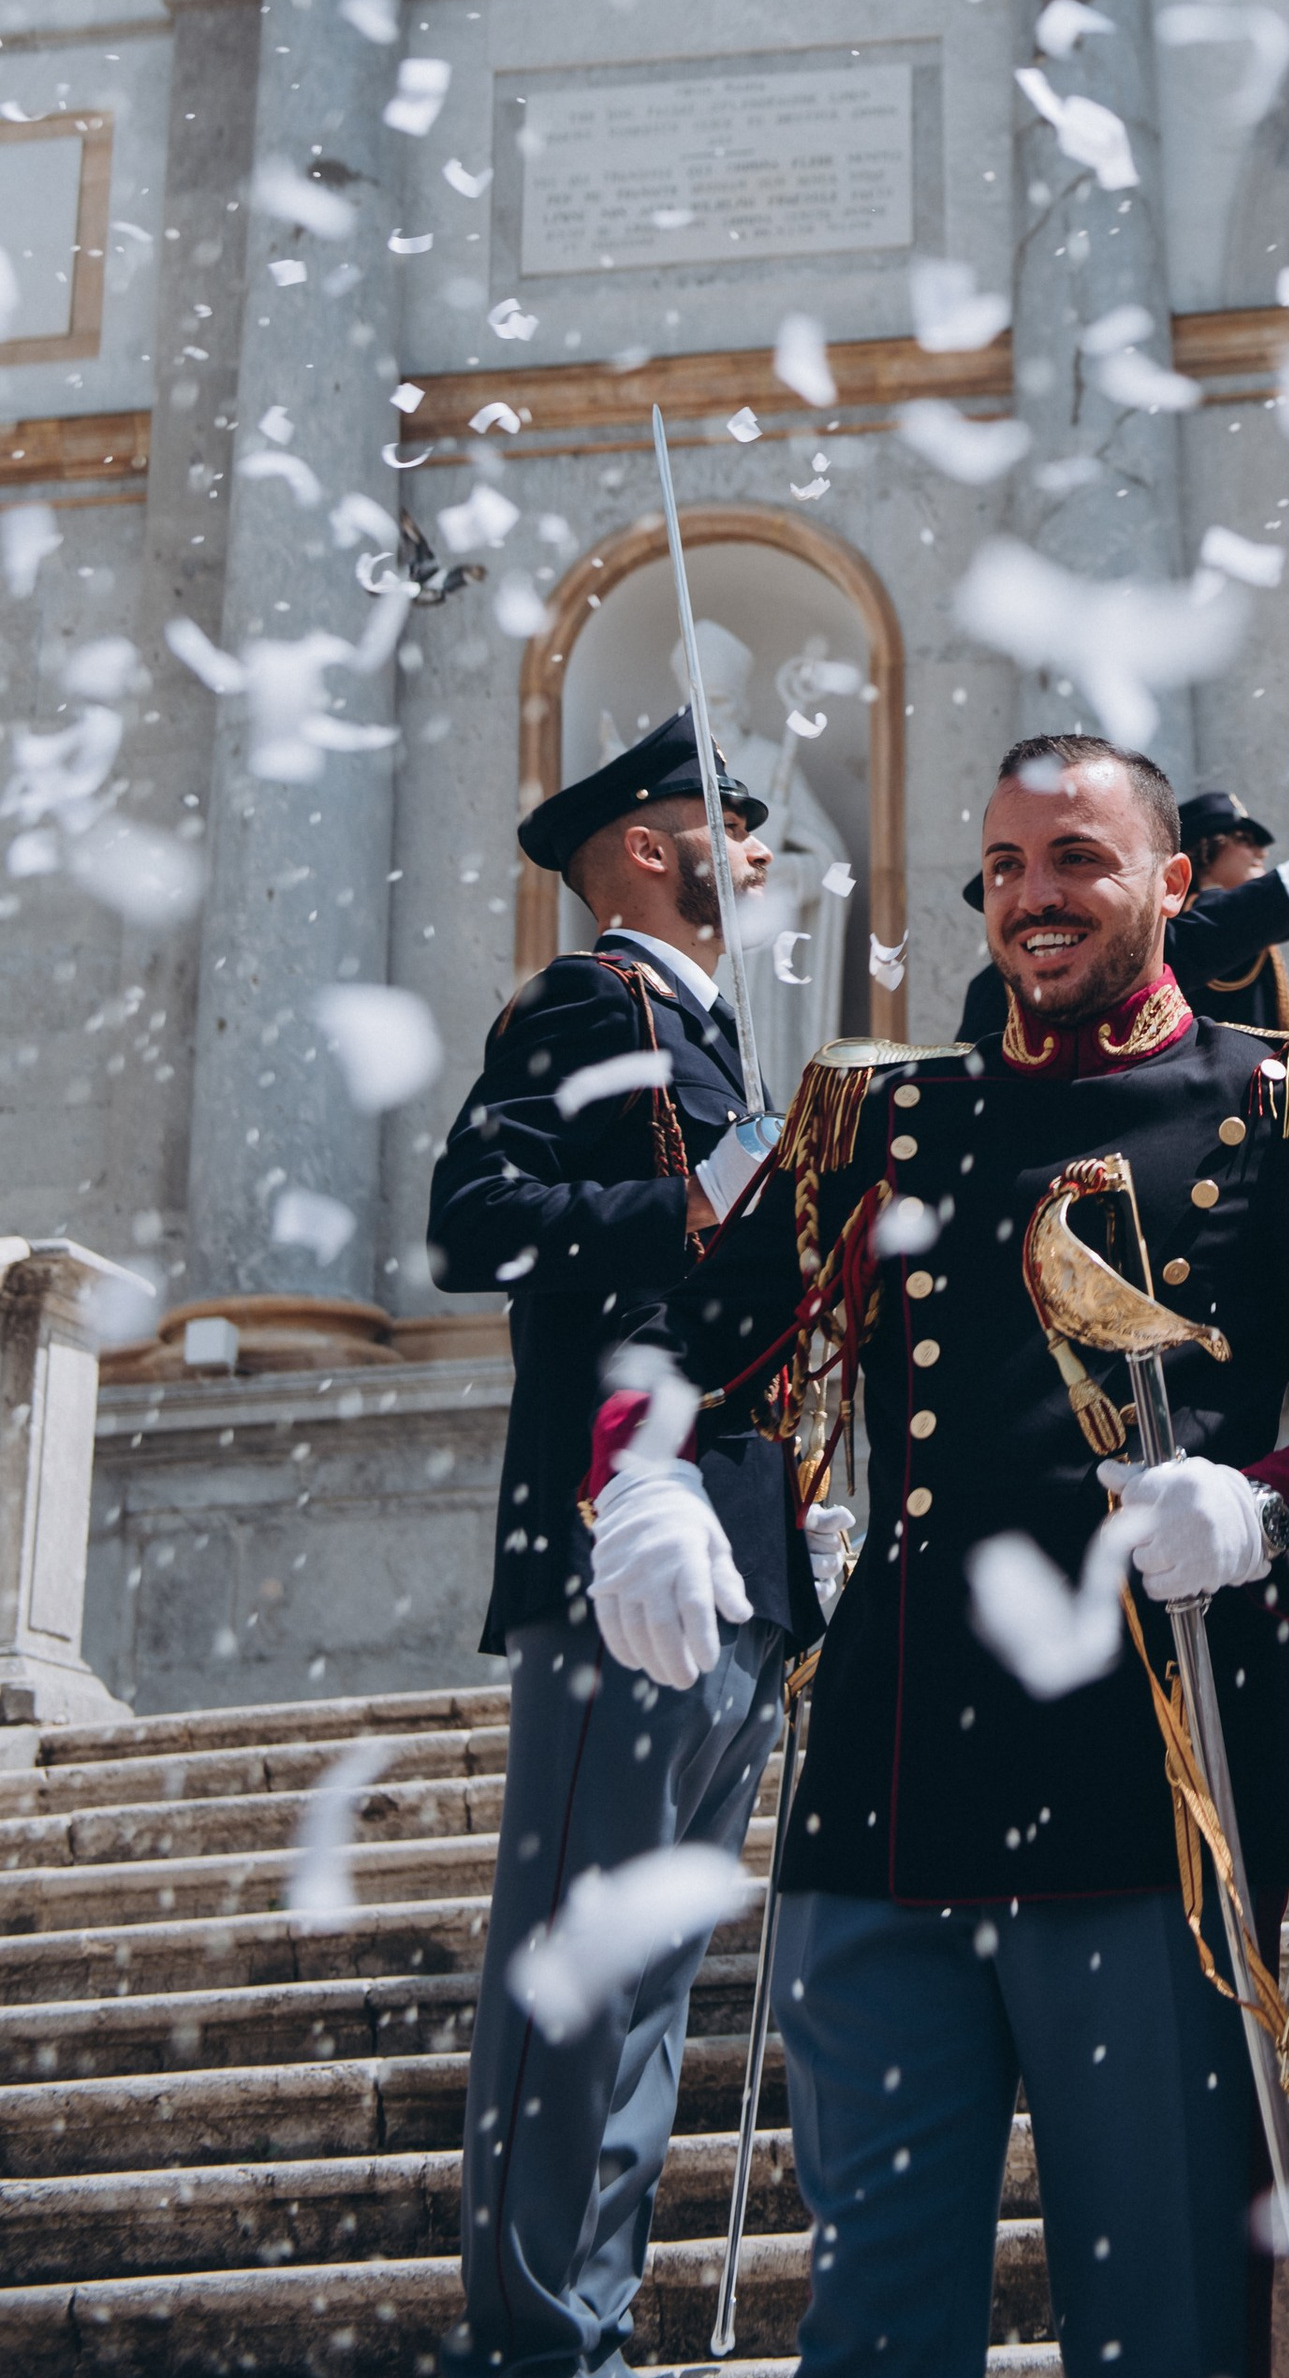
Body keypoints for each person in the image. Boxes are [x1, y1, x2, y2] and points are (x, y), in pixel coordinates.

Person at [588, 731, 1289, 2378]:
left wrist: (1268, 1514)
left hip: (1151, 1797)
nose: (1033, 902)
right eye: (1002, 870)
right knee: (877, 2326)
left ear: (1173, 883)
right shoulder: (886, 1115)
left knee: (1171, 2322)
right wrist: (646, 1486)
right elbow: (683, 1342)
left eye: (1076, 861)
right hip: (885, 1798)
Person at [427, 714, 819, 2378]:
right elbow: (473, 1222)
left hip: (727, 1550)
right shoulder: (593, 1004)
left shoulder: (709, 1035)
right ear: (656, 847)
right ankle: (539, 2340)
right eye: (742, 827)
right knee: (580, 1973)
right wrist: (704, 1196)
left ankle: (580, 2319)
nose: (766, 855)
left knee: (644, 1978)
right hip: (624, 1541)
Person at [954, 786, 1289, 1040]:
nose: (1038, 901)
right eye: (1243, 838)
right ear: (1207, 848)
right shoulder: (1169, 934)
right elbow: (1222, 929)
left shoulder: (1219, 918)